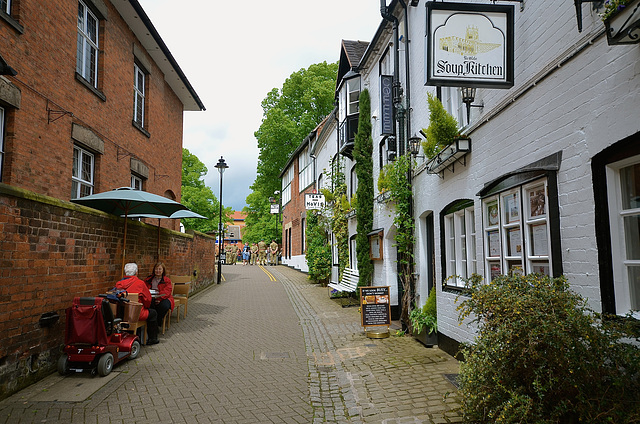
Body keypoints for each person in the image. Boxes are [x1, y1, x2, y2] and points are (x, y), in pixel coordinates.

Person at [115, 263, 159, 345]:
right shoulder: (140, 283)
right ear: (136, 273)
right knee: (153, 313)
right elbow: (148, 299)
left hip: (122, 314)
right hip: (137, 314)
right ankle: (152, 339)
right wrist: (146, 306)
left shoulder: (118, 284)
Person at [143, 262, 174, 331]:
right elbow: (144, 289)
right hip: (151, 298)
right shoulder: (148, 279)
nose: (158, 271)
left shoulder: (167, 280)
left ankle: (158, 322)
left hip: (163, 298)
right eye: (156, 269)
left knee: (164, 306)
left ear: (163, 270)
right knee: (149, 305)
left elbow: (167, 291)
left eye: (160, 269)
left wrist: (159, 298)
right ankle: (152, 324)